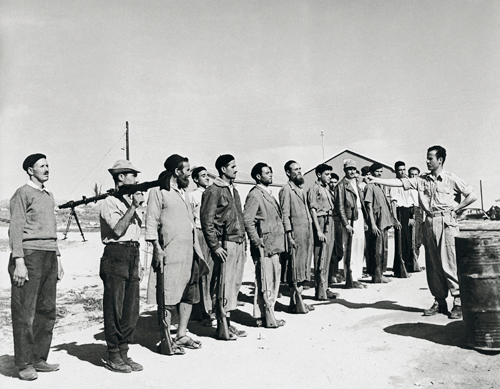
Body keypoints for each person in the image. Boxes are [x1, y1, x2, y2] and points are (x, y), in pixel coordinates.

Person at [368, 146, 477, 319]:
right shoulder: (422, 180)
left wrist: (457, 209)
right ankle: (439, 301)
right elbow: (400, 182)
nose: (427, 161)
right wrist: (376, 180)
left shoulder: (450, 179)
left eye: (430, 158)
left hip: (447, 223)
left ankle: (458, 302)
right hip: (429, 221)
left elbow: (471, 196)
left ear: (439, 160)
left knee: (449, 262)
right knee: (433, 265)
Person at [9, 153, 64, 381]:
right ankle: (24, 364)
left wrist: (58, 258)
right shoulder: (22, 193)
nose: (47, 168)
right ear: (31, 170)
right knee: (25, 312)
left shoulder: (48, 195)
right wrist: (19, 261)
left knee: (47, 310)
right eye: (42, 166)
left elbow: (51, 229)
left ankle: (40, 358)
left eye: (48, 164)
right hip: (29, 256)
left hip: (49, 255)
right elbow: (15, 228)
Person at [146, 154, 208, 352]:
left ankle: (181, 335)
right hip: (170, 253)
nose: (190, 174)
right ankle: (165, 339)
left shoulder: (184, 192)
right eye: (188, 170)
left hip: (190, 253)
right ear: (177, 171)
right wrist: (156, 248)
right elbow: (151, 222)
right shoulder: (159, 191)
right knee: (168, 296)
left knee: (187, 295)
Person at [99, 159, 144, 373]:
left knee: (131, 308)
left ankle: (124, 353)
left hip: (133, 253)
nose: (136, 179)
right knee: (114, 308)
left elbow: (136, 234)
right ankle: (113, 355)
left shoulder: (128, 202)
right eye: (132, 175)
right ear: (120, 177)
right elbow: (117, 231)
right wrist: (134, 206)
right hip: (116, 254)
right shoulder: (110, 202)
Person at [200, 154, 247, 339]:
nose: (236, 169)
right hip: (224, 244)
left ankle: (227, 321)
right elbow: (207, 221)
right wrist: (215, 246)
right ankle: (221, 323)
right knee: (222, 286)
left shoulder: (233, 191)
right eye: (232, 166)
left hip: (238, 242)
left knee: (233, 285)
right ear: (223, 169)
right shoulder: (213, 191)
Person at [243, 162, 286, 327]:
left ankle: (265, 315)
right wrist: (256, 241)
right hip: (265, 245)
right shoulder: (255, 195)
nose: (271, 175)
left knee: (272, 281)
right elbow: (248, 220)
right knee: (265, 282)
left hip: (274, 244)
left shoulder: (267, 193)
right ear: (258, 176)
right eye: (267, 173)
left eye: (271, 172)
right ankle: (267, 317)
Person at [279, 160, 314, 312]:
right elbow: (285, 215)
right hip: (296, 234)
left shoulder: (300, 190)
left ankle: (297, 301)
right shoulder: (286, 190)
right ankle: (295, 303)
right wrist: (289, 235)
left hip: (306, 233)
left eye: (300, 169)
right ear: (288, 173)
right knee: (295, 268)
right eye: (296, 169)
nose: (299, 171)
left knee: (303, 267)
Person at [335, 159, 368, 289]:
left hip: (358, 217)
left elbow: (361, 203)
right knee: (350, 248)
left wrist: (364, 221)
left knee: (360, 247)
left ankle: (357, 277)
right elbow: (340, 206)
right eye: (349, 169)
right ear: (345, 170)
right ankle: (350, 278)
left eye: (354, 169)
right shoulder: (341, 186)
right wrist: (345, 223)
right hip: (349, 219)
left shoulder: (357, 183)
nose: (352, 171)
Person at [307, 163, 338, 300]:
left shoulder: (326, 188)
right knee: (321, 256)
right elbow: (313, 210)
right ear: (319, 175)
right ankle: (320, 290)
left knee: (327, 255)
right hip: (320, 221)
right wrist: (318, 230)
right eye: (327, 174)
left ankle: (325, 288)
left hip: (329, 220)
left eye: (330, 174)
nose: (329, 177)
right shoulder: (314, 189)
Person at [189, 166, 215, 327]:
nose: (207, 178)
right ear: (195, 179)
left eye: (207, 175)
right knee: (201, 273)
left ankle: (210, 307)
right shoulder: (192, 196)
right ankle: (200, 311)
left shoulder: (211, 193)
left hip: (211, 235)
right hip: (199, 234)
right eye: (203, 176)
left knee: (211, 273)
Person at [364, 163, 398, 283]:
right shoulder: (370, 187)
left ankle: (381, 274)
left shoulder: (379, 185)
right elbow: (368, 206)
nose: (379, 174)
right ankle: (376, 275)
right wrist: (372, 224)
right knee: (376, 251)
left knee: (383, 249)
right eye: (377, 172)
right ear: (372, 172)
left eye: (380, 172)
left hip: (383, 222)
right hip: (377, 223)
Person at [389, 161, 414, 278]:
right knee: (400, 243)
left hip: (407, 212)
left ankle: (406, 267)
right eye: (400, 170)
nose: (402, 172)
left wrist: (410, 217)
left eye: (404, 169)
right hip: (399, 212)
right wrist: (395, 219)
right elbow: (393, 203)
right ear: (396, 171)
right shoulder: (394, 183)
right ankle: (399, 270)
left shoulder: (407, 182)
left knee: (408, 243)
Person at [328, 173, 344, 284]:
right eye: (331, 182)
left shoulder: (339, 192)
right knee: (332, 250)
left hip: (339, 222)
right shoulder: (327, 193)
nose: (333, 184)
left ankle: (336, 272)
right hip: (331, 221)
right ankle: (332, 275)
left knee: (339, 249)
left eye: (335, 182)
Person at [408, 166, 424, 270]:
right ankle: (411, 264)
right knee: (411, 239)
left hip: (420, 211)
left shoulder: (421, 187)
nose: (413, 177)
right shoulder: (407, 187)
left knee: (419, 240)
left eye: (415, 175)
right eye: (411, 175)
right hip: (411, 210)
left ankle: (416, 261)